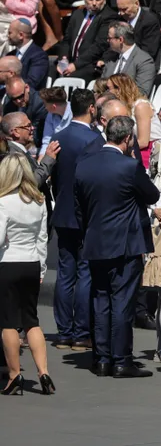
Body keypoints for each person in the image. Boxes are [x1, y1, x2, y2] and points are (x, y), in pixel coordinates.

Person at [76, 115, 161, 378]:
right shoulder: (129, 166)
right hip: (125, 244)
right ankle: (121, 359)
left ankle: (102, 358)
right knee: (122, 302)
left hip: (96, 241)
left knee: (101, 300)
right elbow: (152, 195)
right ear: (127, 139)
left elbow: (80, 208)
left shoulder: (84, 164)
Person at [50, 89, 101, 351]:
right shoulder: (94, 139)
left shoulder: (59, 137)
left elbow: (54, 176)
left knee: (65, 273)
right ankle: (81, 333)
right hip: (86, 215)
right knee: (84, 273)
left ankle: (63, 333)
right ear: (91, 108)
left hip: (64, 212)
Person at [0, 154, 54, 396]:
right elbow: (42, 239)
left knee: (9, 322)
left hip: (8, 263)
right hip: (32, 263)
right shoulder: (39, 201)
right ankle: (44, 371)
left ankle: (14, 374)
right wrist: (42, 267)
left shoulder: (3, 202)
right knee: (32, 320)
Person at [106, 74, 161, 168]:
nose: (107, 92)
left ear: (119, 89)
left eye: (109, 88)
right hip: (130, 147)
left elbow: (144, 142)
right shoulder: (122, 107)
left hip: (150, 151)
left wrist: (118, 148)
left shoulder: (141, 106)